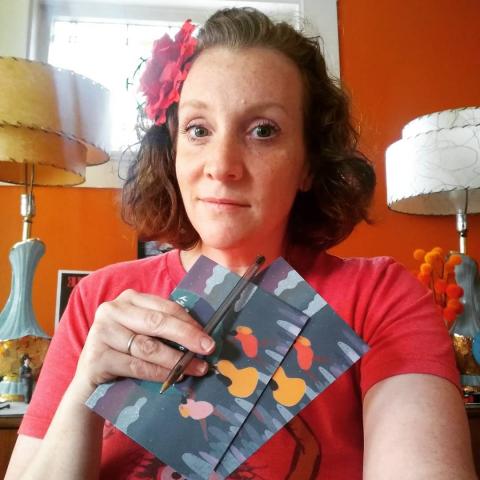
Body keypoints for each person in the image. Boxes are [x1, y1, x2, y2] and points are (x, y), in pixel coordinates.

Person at [5, 7, 476, 480]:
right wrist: (85, 391)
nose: (222, 164)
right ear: (173, 151)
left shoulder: (378, 298)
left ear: (309, 162)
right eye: (198, 129)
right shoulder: (98, 302)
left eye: (262, 131)